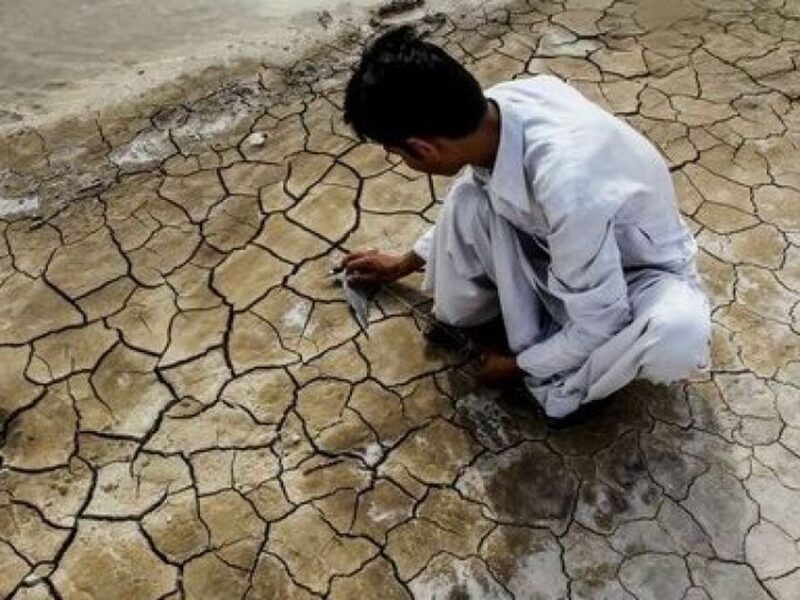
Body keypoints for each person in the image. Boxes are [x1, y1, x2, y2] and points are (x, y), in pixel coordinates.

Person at [340, 25, 710, 421]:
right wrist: (404, 263)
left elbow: (602, 322)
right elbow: (480, 190)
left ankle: (577, 379)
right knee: (469, 199)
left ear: (423, 147)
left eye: (397, 154)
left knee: (676, 335)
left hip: (638, 274)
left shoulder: (568, 184)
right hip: (560, 249)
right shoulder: (496, 109)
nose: (402, 162)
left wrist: (519, 366)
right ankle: (539, 334)